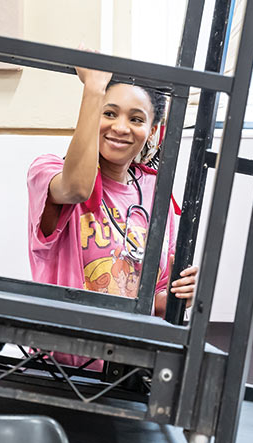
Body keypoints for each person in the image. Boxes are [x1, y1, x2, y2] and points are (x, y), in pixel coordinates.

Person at [27, 60, 198, 368]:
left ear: (154, 130)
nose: (120, 127)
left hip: (129, 369)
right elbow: (78, 189)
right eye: (109, 113)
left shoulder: (157, 192)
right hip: (62, 369)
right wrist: (92, 88)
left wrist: (181, 292)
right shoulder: (48, 172)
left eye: (136, 119)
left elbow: (156, 300)